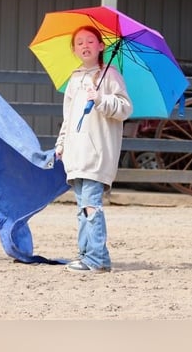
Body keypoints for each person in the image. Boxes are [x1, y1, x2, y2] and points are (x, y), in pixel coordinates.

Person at [54, 25, 132, 273]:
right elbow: (68, 117)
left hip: (97, 153)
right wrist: (62, 142)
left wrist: (100, 100)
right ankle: (89, 255)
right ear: (74, 49)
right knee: (82, 208)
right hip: (76, 154)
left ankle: (95, 259)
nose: (85, 45)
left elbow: (124, 109)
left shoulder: (110, 77)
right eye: (79, 42)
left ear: (101, 46)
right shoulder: (75, 79)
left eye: (90, 41)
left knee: (90, 205)